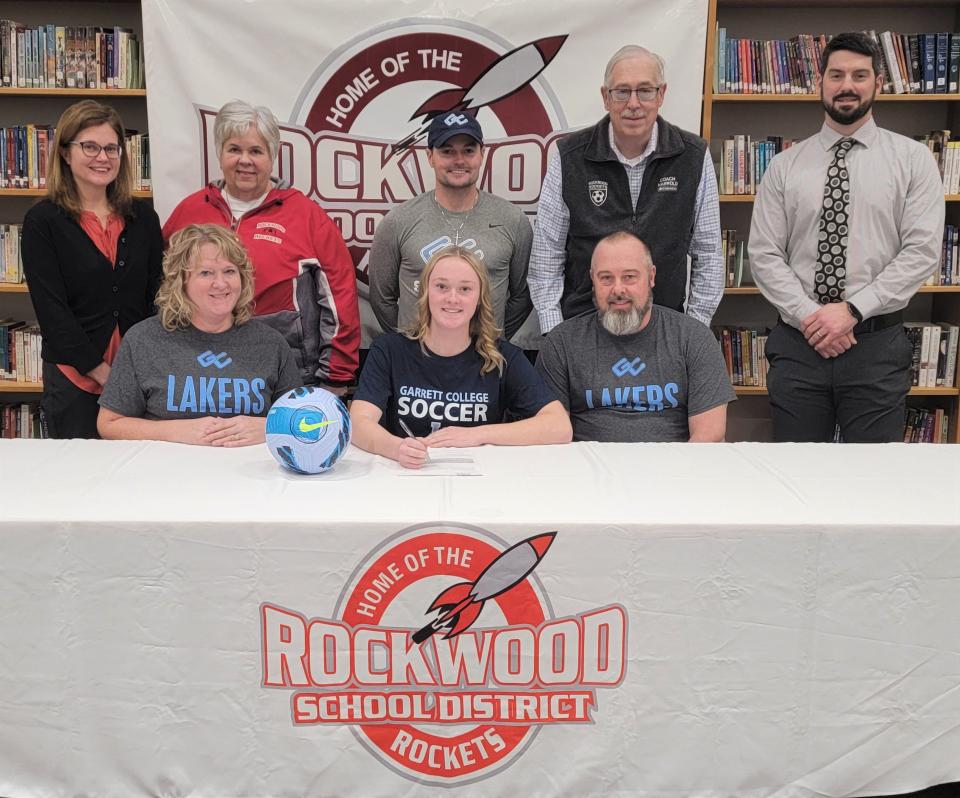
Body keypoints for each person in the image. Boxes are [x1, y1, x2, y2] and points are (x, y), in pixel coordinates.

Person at [749, 32, 944, 442]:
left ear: (878, 83)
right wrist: (812, 319)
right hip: (799, 346)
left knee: (872, 483)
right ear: (819, 82)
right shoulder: (784, 167)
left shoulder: (913, 161)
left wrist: (852, 311)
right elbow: (764, 255)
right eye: (836, 75)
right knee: (796, 478)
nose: (847, 86)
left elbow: (921, 252)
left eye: (859, 75)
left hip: (875, 346)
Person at [162, 99, 359, 394]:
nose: (245, 160)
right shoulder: (189, 212)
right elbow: (163, 287)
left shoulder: (305, 215)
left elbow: (340, 297)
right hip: (199, 370)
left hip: (286, 373)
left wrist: (336, 378)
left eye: (256, 151)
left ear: (272, 156)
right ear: (219, 153)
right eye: (234, 149)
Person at [528, 44, 723, 334]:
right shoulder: (569, 156)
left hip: (664, 330)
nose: (634, 103)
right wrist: (556, 334)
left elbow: (708, 254)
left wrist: (692, 332)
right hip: (583, 329)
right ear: (606, 97)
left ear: (661, 94)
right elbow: (547, 256)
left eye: (645, 90)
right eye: (622, 91)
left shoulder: (692, 156)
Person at [351, 245, 571, 469]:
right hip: (407, 475)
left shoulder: (503, 357)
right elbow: (359, 422)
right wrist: (396, 448)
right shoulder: (389, 351)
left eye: (465, 289)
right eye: (441, 286)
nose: (452, 298)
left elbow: (559, 425)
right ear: (426, 292)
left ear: (479, 298)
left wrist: (477, 435)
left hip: (477, 479)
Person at [21, 100, 164, 439]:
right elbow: (51, 310)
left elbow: (157, 296)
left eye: (112, 148)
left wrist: (137, 372)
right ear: (66, 154)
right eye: (90, 146)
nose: (103, 157)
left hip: (138, 376)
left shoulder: (144, 219)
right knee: (76, 481)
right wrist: (102, 373)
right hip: (74, 379)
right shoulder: (43, 222)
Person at [97, 224, 301, 445]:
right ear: (181, 282)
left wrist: (269, 427)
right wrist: (174, 431)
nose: (221, 284)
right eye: (206, 273)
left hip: (251, 474)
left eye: (230, 271)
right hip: (167, 474)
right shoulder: (143, 340)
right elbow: (109, 424)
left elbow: (302, 421)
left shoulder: (270, 344)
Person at [536, 231, 735, 442]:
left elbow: (709, 435)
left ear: (651, 277)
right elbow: (551, 435)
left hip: (673, 468)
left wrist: (675, 474)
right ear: (592, 280)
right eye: (606, 278)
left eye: (629, 277)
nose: (618, 289)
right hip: (588, 471)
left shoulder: (694, 338)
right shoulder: (561, 344)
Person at [369, 111, 533, 339]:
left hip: (485, 361)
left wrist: (491, 337)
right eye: (447, 151)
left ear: (481, 154)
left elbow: (522, 295)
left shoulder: (513, 221)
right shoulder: (398, 221)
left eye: (468, 150)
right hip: (417, 360)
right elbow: (381, 299)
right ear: (430, 156)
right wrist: (410, 341)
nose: (459, 160)